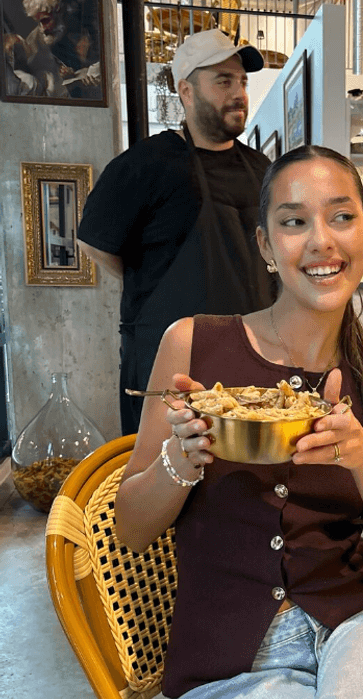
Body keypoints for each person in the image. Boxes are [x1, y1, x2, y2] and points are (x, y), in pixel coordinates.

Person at [113, 146, 363, 698]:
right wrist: (181, 458)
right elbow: (131, 529)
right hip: (231, 655)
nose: (321, 240)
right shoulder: (192, 346)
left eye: (342, 217)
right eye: (294, 222)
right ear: (267, 245)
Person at [77, 29, 276, 435]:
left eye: (242, 81)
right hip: (167, 363)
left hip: (249, 359)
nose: (238, 92)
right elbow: (93, 242)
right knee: (163, 477)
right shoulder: (145, 164)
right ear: (186, 90)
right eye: (223, 81)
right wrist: (153, 284)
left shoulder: (262, 169)